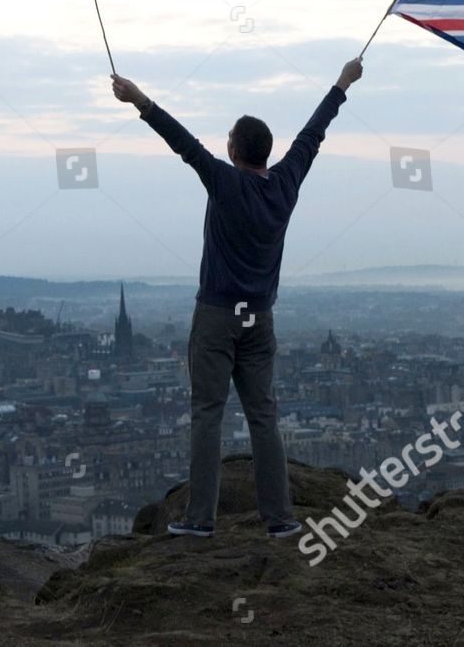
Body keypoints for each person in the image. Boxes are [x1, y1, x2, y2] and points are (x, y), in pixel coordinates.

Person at [110, 57, 364, 539]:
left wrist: (138, 100)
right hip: (259, 318)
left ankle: (201, 519)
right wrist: (341, 83)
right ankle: (281, 518)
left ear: (232, 150)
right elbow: (313, 135)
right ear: (266, 153)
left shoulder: (225, 183)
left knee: (207, 414)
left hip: (217, 315)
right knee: (263, 416)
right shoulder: (285, 184)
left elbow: (182, 143)